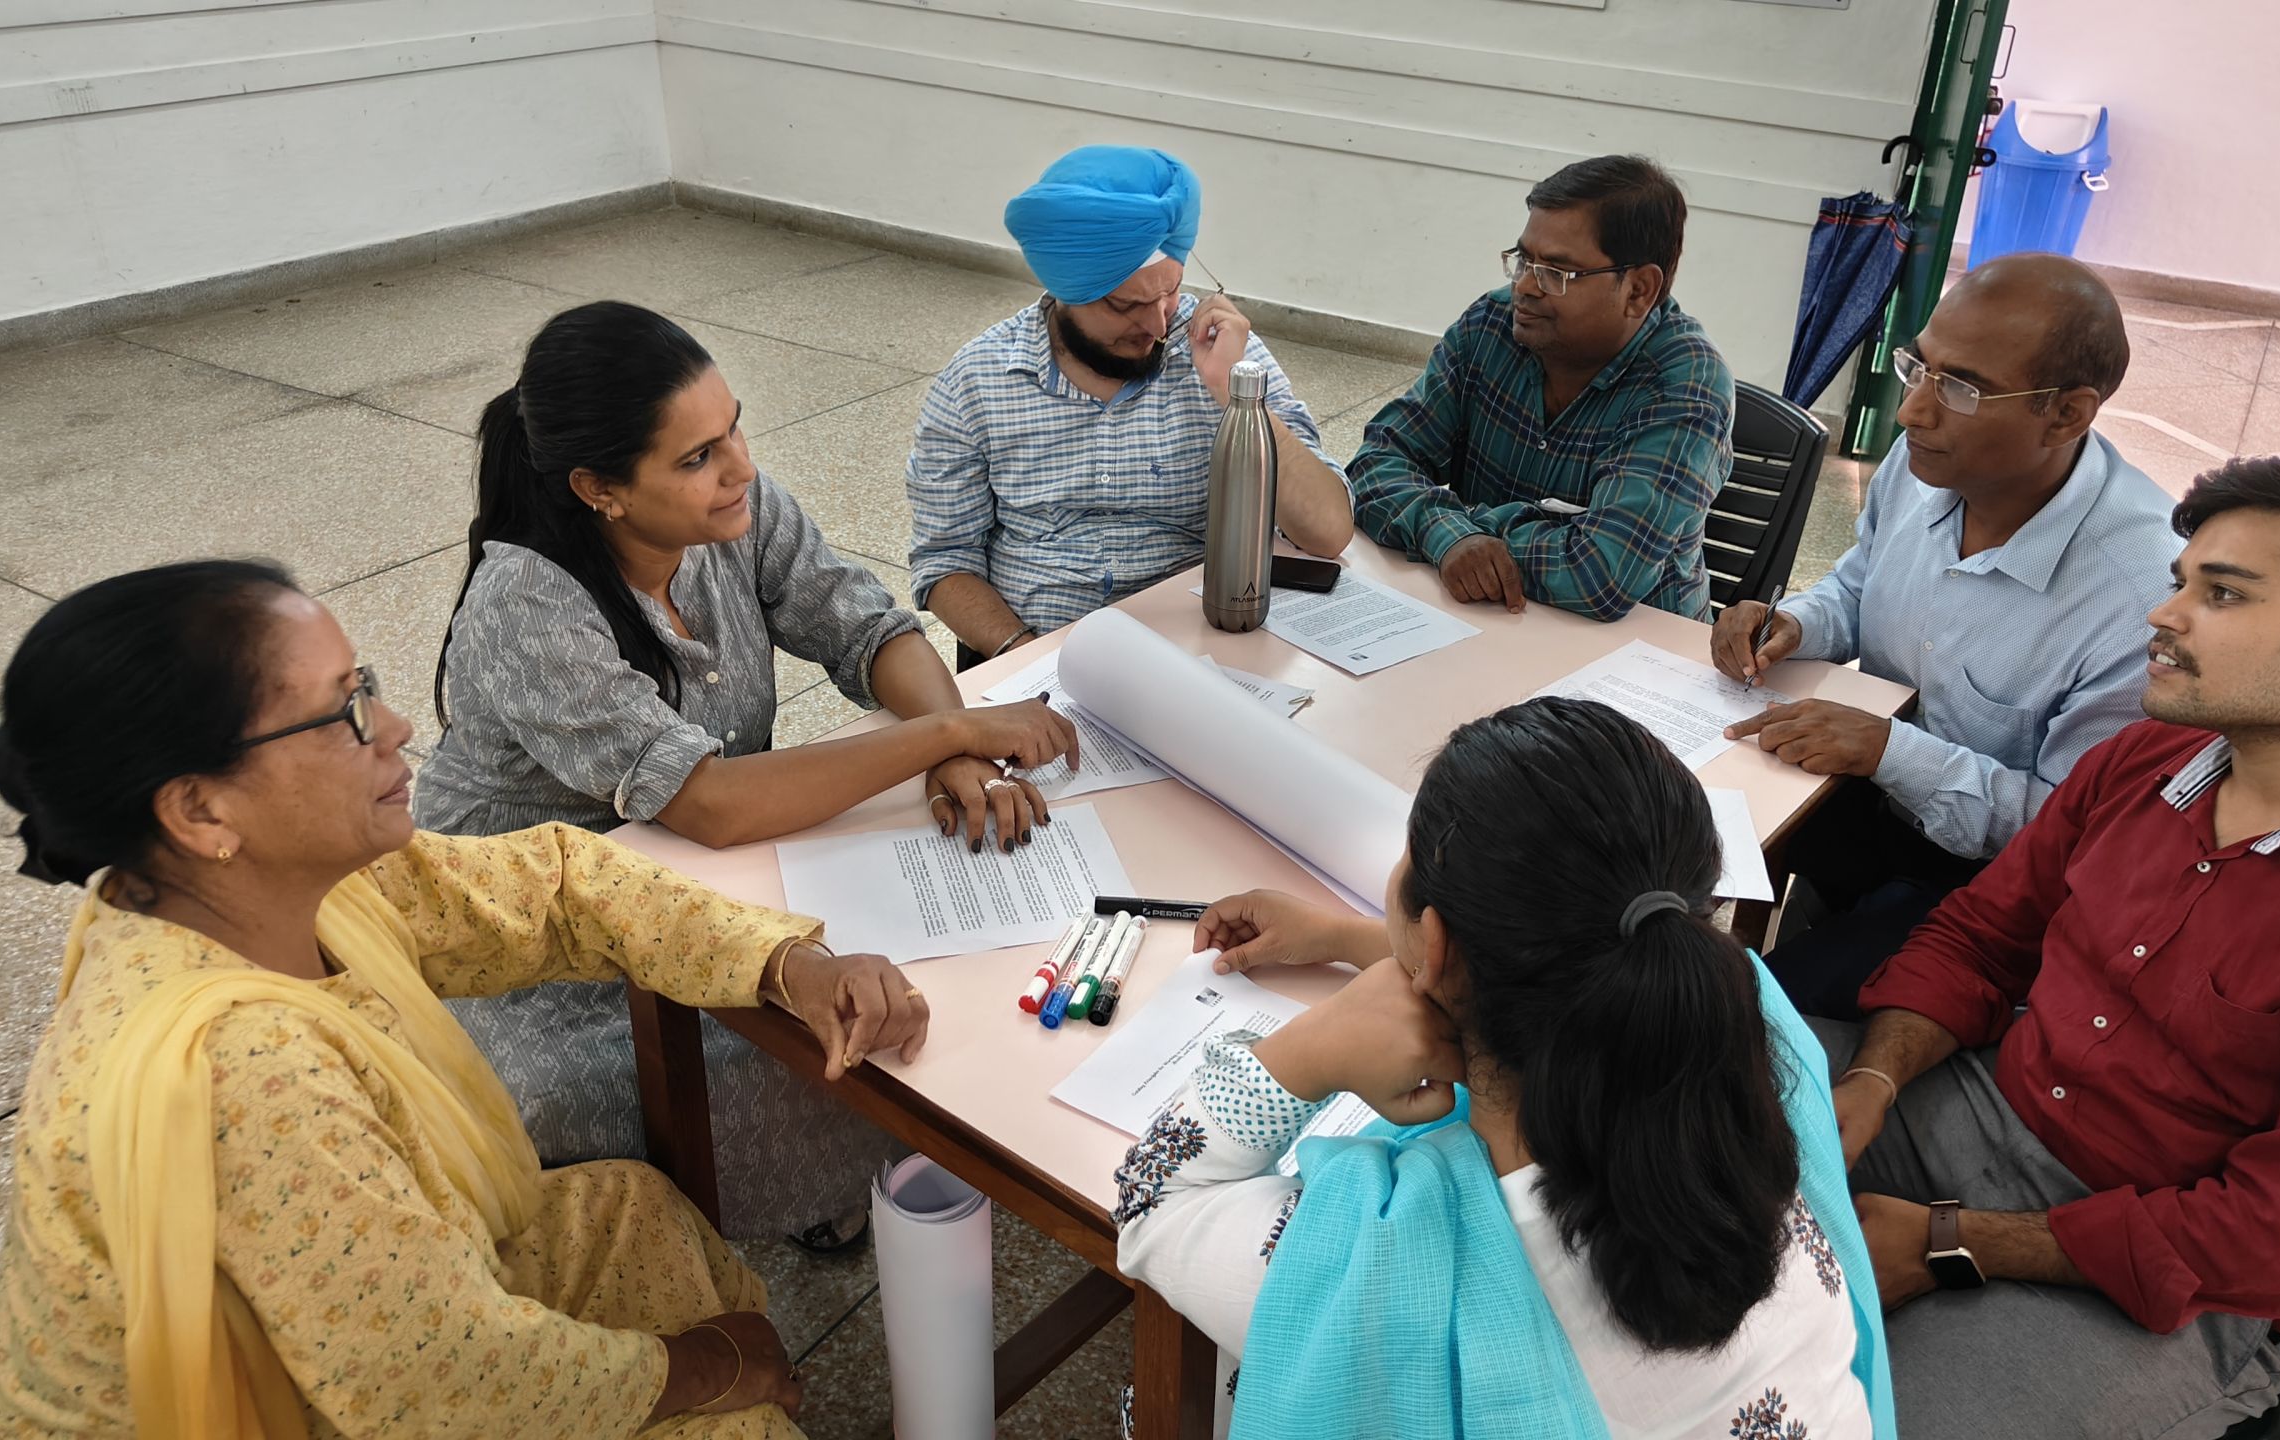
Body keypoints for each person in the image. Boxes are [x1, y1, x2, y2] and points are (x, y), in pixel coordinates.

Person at [0, 559, 933, 1438]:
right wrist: (704, 1369)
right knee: (725, 1412)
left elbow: (558, 885)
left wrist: (789, 966)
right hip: (267, 1411)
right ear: (198, 810)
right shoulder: (243, 1071)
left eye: (370, 687)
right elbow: (437, 1386)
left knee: (626, 1210)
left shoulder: (249, 887)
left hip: (354, 1365)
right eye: (343, 712)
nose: (393, 727)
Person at [1815, 455, 2280, 1440]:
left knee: (1889, 1425)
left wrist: (1952, 1243)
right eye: (2181, 581)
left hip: (2173, 1280)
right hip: (1971, 1105)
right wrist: (1873, 1081)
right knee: (1650, 1084)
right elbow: (1979, 938)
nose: (2161, 615)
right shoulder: (2145, 760)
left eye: (2218, 594)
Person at [417, 300, 1072, 1248]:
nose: (742, 469)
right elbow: (712, 805)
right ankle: (781, 1199)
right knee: (787, 1046)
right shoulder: (527, 602)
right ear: (600, 489)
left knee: (927, 956)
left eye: (733, 431)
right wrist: (944, 739)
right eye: (696, 458)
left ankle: (861, 1171)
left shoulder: (735, 511)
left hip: (697, 876)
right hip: (542, 945)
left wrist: (956, 742)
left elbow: (868, 627)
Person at [1117, 698, 1889, 1439]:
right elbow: (1583, 961)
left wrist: (1309, 1049)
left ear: (1438, 945)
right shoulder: (1746, 1044)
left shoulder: (1390, 1270)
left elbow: (1152, 1195)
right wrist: (1361, 943)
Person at [1712, 253, 2176, 1019]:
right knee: (1654, 852)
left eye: (1962, 387)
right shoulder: (1930, 457)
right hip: (1866, 802)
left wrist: (1890, 751)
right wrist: (1795, 623)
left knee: (1751, 1021)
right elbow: (1861, 584)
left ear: (2068, 414)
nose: (1911, 412)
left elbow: (2074, 837)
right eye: (1917, 368)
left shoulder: (2140, 601)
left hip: (1992, 889)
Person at [906, 145, 1354, 662]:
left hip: (1203, 647)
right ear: (1064, 290)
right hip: (1040, 646)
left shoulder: (1220, 351)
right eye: (1126, 305)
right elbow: (945, 562)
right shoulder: (976, 381)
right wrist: (1027, 659)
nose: (1159, 326)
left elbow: (1327, 532)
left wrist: (1236, 397)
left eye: (1170, 294)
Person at [1349, 154, 1734, 622]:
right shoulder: (1491, 326)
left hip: (1634, 663)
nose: (1525, 287)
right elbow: (1376, 462)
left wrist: (1470, 528)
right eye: (1523, 260)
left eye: (1557, 272)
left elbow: (1601, 574)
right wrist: (1450, 533)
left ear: (1638, 290)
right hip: (1484, 623)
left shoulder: (1685, 385)